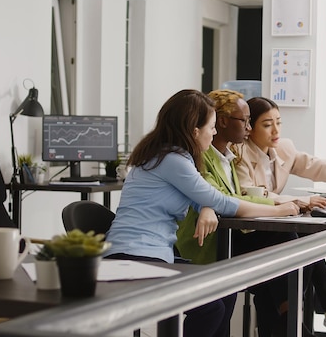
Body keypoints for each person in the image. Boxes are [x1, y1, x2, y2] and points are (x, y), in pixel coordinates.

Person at [102, 89, 299, 337]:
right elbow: (221, 200)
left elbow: (205, 197)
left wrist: (206, 206)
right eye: (212, 127)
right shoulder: (172, 159)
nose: (215, 132)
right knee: (211, 306)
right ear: (195, 131)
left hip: (155, 254)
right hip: (135, 257)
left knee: (224, 290)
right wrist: (279, 210)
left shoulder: (169, 155)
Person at [233, 96, 326, 337]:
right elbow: (254, 194)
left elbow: (316, 165)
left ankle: (301, 321)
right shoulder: (238, 153)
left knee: (303, 240)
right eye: (267, 124)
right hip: (244, 234)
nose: (276, 130)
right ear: (249, 127)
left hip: (271, 233)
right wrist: (300, 202)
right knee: (295, 241)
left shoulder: (283, 148)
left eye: (279, 122)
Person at [176, 89, 274, 265]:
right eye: (244, 121)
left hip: (227, 238)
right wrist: (276, 205)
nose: (249, 128)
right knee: (285, 241)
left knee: (299, 242)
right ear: (221, 121)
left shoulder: (228, 158)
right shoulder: (199, 157)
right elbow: (220, 198)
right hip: (206, 244)